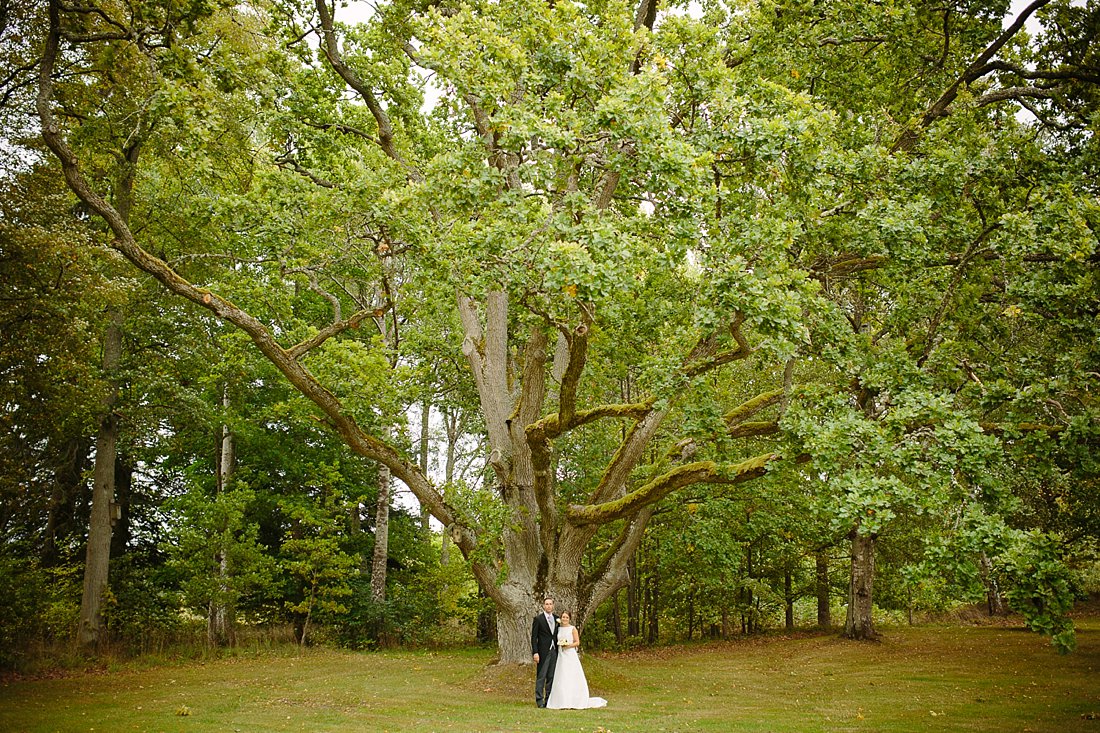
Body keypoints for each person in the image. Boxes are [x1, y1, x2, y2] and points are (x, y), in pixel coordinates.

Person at [546, 611, 607, 709]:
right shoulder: (559, 629)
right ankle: (562, 701)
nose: (564, 619)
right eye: (563, 617)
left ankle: (574, 700)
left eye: (566, 617)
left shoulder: (572, 629)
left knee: (571, 676)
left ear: (569, 618)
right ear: (561, 618)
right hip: (561, 656)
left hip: (570, 654)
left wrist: (568, 646)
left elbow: (577, 642)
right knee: (562, 676)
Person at [531, 596, 558, 708]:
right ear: (543, 606)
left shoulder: (557, 619)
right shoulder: (538, 619)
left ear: (553, 606)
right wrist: (535, 652)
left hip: (554, 651)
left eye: (550, 604)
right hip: (542, 652)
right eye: (546, 604)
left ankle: (549, 700)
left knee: (551, 676)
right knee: (541, 676)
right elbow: (534, 637)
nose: (548, 606)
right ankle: (539, 699)